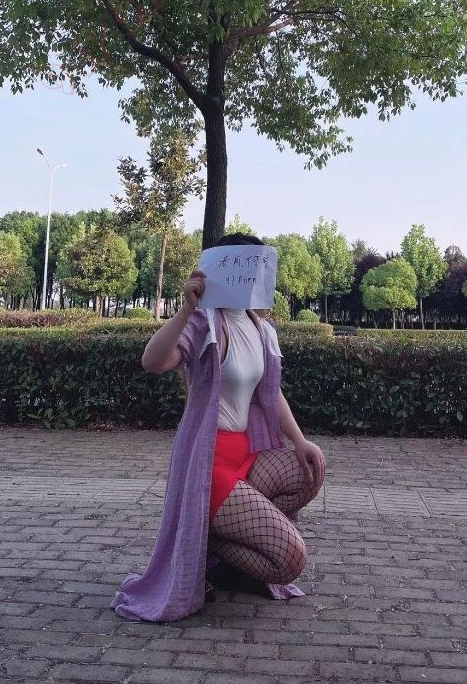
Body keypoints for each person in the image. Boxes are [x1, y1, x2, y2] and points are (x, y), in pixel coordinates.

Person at [110, 232, 326, 622]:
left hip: (248, 455)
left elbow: (270, 392)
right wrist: (184, 309)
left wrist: (300, 440)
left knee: (310, 471)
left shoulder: (261, 328)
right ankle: (206, 545)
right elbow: (153, 361)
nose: (250, 277)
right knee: (290, 559)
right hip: (210, 464)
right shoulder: (205, 322)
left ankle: (212, 542)